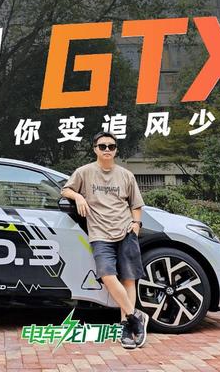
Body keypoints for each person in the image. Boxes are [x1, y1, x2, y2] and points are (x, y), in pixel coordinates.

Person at [60, 131, 149, 349]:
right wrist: (78, 196)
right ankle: (135, 317)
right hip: (99, 234)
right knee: (108, 276)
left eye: (111, 146)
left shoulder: (126, 175)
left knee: (129, 279)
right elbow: (65, 190)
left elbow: (136, 205)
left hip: (126, 231)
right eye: (102, 146)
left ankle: (126, 326)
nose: (107, 149)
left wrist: (136, 224)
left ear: (116, 150)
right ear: (95, 149)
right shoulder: (84, 172)